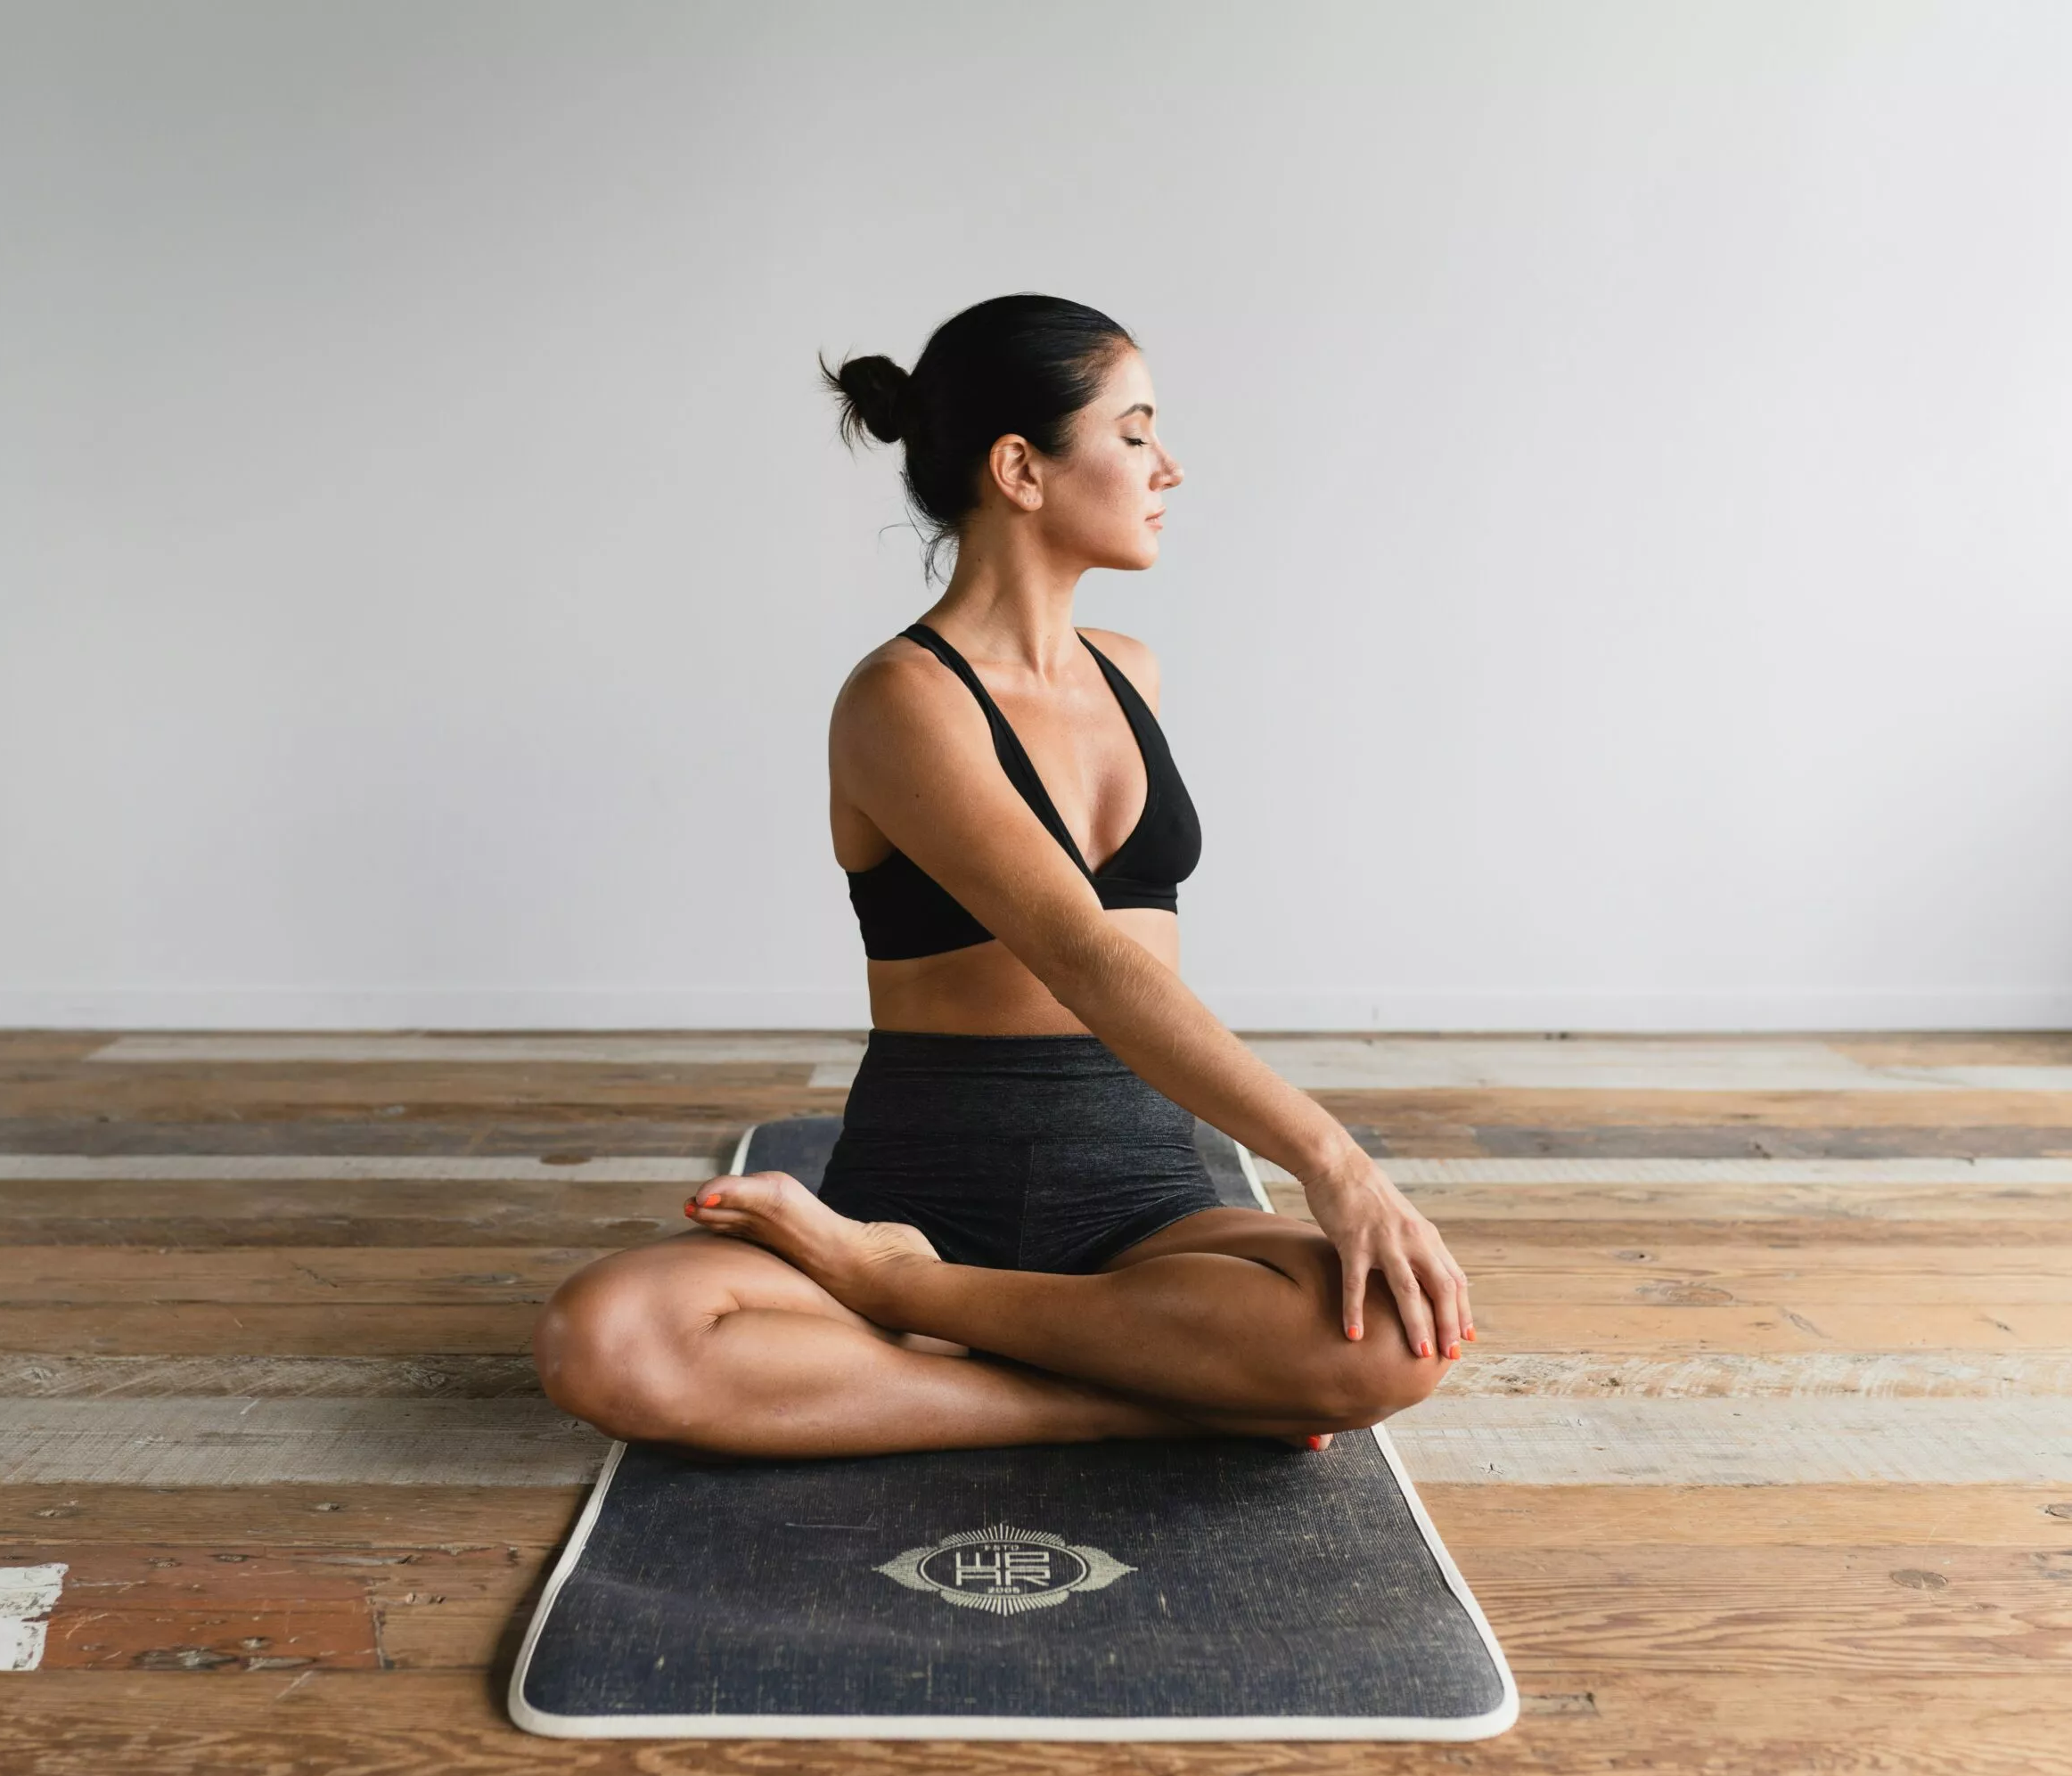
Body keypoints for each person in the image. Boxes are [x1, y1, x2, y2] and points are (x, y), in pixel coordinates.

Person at [533, 293, 1472, 1459]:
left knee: (1396, 1335)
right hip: (919, 1189)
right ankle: (1117, 1385)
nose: (1167, 466)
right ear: (1021, 468)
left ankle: (923, 1312)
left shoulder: (1135, 674)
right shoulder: (901, 699)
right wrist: (1335, 1162)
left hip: (1138, 1196)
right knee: (610, 1339)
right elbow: (1081, 953)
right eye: (1133, 433)